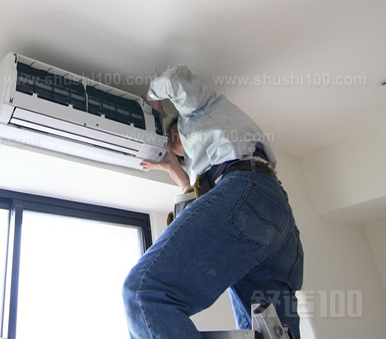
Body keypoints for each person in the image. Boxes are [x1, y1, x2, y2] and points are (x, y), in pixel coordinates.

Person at [123, 65, 304, 338]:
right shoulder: (208, 166)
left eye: (174, 141)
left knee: (144, 292)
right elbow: (204, 204)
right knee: (267, 330)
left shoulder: (201, 108)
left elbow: (175, 78)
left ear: (176, 126)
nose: (179, 152)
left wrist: (153, 101)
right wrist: (174, 168)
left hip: (249, 193)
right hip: (273, 217)